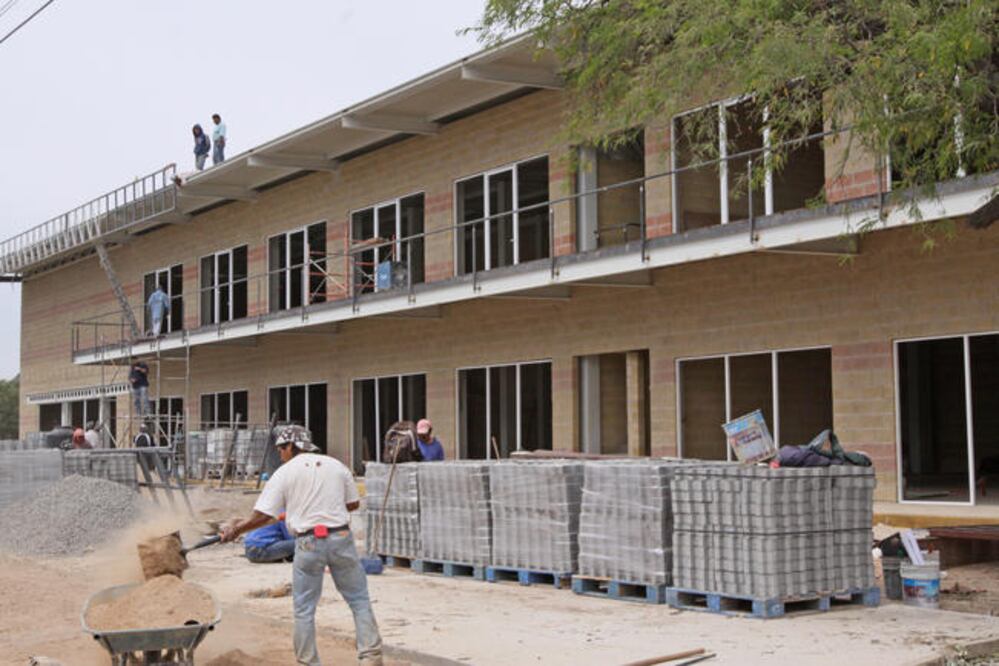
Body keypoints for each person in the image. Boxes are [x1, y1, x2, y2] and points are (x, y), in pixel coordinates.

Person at [220, 425, 382, 665]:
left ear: (290, 446)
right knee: (358, 599)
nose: (280, 455)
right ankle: (370, 657)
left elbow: (263, 516)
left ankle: (308, 662)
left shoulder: (285, 473)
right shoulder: (337, 466)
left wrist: (236, 530)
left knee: (304, 609)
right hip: (340, 538)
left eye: (281, 449)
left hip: (309, 542)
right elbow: (352, 505)